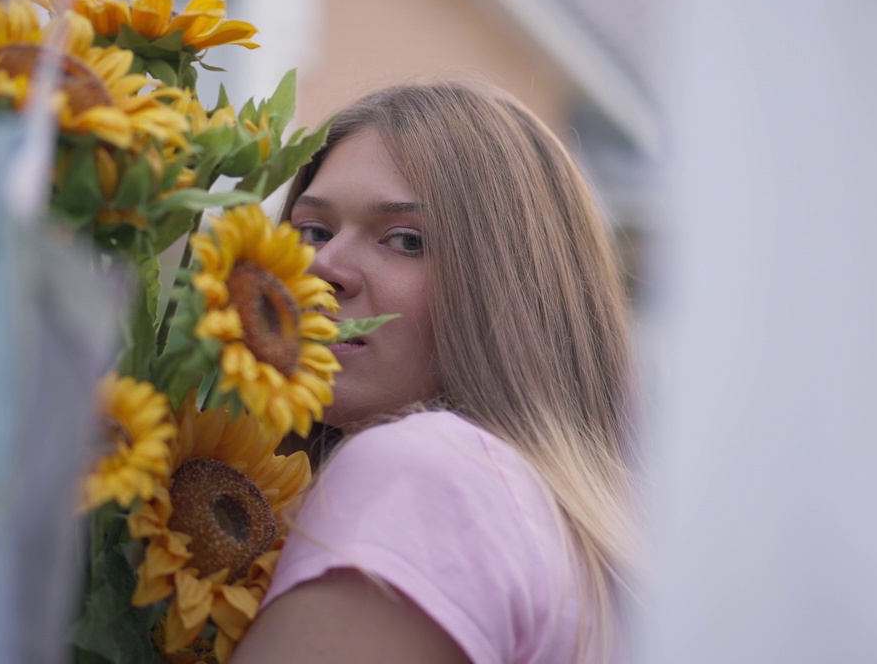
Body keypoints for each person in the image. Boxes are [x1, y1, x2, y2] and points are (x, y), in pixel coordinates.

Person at [233, 82, 638, 663]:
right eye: (313, 231)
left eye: (405, 240)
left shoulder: (421, 473)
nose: (323, 265)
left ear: (513, 291)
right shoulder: (559, 527)